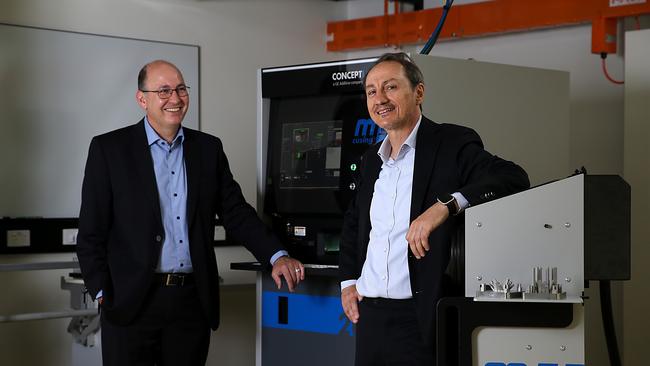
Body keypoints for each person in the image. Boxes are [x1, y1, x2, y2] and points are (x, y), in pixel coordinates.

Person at [76, 60, 305, 366]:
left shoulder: (207, 149)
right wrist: (102, 292)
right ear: (142, 99)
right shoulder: (109, 150)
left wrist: (276, 254)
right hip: (130, 302)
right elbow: (91, 231)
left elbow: (236, 212)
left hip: (190, 303)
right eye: (164, 90)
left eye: (181, 89)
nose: (176, 98)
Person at [339, 52, 530, 366]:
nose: (380, 99)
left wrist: (447, 205)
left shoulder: (450, 144)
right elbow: (354, 224)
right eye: (372, 91)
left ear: (419, 92)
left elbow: (513, 177)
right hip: (369, 316)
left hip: (419, 317)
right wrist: (348, 283)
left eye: (390, 87)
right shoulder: (371, 159)